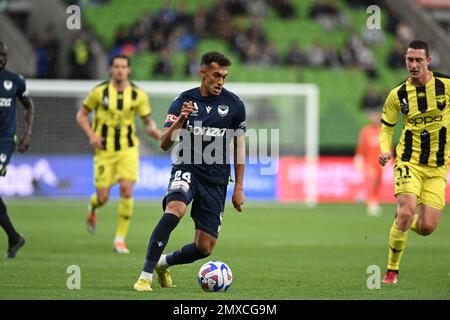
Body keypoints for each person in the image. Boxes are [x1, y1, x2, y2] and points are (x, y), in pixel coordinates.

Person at [133, 51, 246, 292]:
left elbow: (239, 146)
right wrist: (181, 120)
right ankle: (145, 275)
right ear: (202, 73)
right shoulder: (183, 101)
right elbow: (164, 143)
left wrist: (238, 186)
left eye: (224, 77)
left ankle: (163, 264)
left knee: (204, 248)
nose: (220, 81)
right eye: (216, 75)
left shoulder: (235, 106)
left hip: (216, 179)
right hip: (187, 167)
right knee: (175, 209)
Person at [378, 40, 450, 284]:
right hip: (409, 162)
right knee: (407, 209)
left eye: (419, 60)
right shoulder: (397, 94)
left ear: (428, 61)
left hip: (438, 168)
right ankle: (391, 270)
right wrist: (384, 150)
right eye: (410, 60)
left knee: (428, 226)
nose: (414, 64)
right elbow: (386, 128)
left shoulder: (446, 86)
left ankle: (403, 220)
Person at [76, 55, 161, 254]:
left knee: (126, 189)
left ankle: (119, 239)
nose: (120, 70)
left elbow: (148, 123)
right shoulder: (99, 92)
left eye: (124, 67)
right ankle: (93, 205)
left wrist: (158, 134)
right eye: (117, 66)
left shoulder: (138, 94)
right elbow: (81, 115)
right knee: (103, 197)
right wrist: (92, 135)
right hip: (104, 151)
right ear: (110, 70)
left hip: (128, 149)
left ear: (129, 70)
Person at [0, 40, 35, 258]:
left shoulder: (14, 80)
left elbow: (29, 105)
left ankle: (14, 237)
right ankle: (14, 237)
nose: (2, 58)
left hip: (4, 141)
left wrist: (27, 133)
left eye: (4, 54)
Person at [354, 109, 384, 216]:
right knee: (372, 180)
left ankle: (375, 200)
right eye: (373, 116)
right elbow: (361, 146)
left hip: (380, 162)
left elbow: (387, 146)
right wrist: (358, 157)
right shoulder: (365, 131)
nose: (374, 118)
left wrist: (389, 158)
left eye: (376, 116)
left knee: (378, 182)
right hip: (369, 162)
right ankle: (371, 203)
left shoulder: (383, 130)